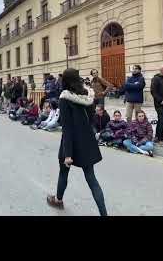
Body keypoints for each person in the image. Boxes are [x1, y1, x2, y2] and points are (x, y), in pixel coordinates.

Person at [46, 68, 107, 216]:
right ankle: (104, 214)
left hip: (71, 142)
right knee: (92, 179)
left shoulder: (64, 98)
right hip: (87, 140)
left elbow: (67, 128)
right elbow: (92, 118)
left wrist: (68, 154)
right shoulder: (88, 94)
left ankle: (58, 200)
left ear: (65, 80)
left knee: (63, 172)